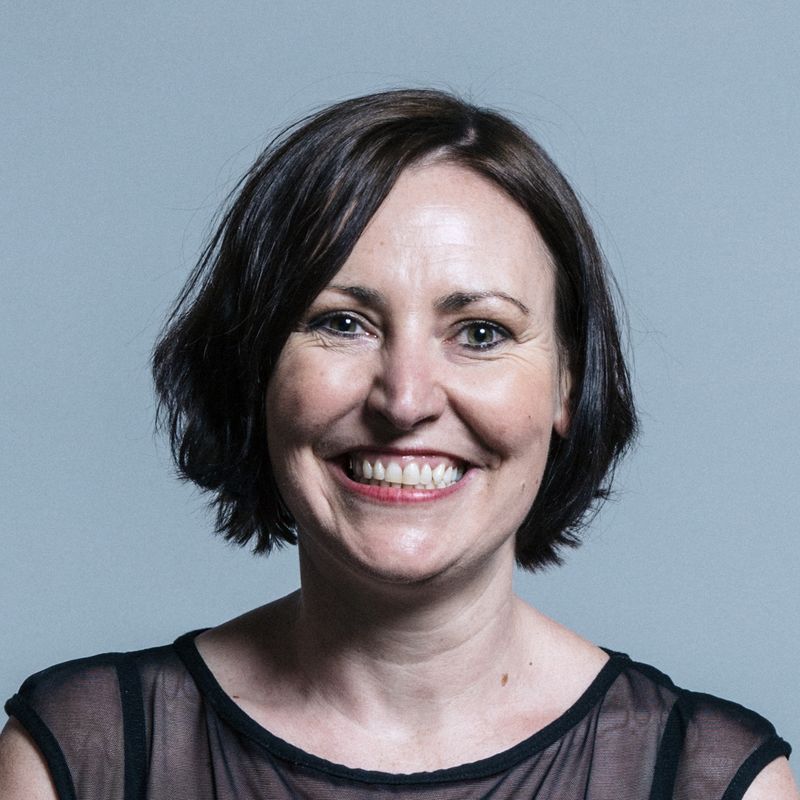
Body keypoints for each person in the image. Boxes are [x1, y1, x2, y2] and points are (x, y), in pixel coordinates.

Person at [0, 89, 795, 799]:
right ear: (255, 367)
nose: (405, 400)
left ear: (567, 386)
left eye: (480, 333)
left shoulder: (713, 781)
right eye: (342, 323)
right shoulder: (79, 759)